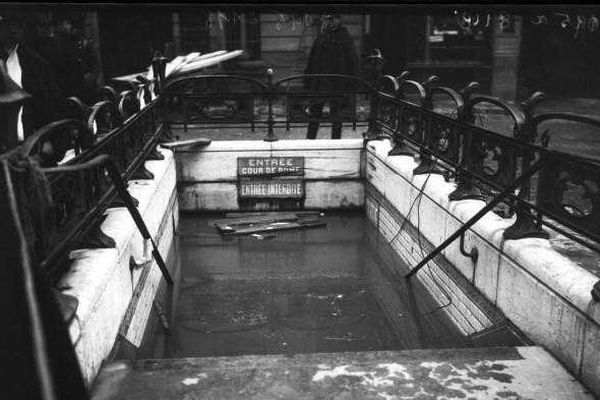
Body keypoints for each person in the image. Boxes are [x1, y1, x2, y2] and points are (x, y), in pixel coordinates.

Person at [0, 10, 62, 147]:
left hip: (30, 147)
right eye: (6, 23)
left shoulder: (37, 64)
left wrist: (49, 141)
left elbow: (51, 105)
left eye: (18, 24)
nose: (13, 29)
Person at [304, 14, 359, 139]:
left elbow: (352, 62)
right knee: (314, 113)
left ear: (338, 20)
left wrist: (352, 84)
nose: (329, 22)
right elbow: (312, 60)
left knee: (337, 115)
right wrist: (308, 81)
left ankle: (336, 142)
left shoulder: (344, 38)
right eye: (327, 19)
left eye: (332, 19)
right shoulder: (321, 37)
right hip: (320, 83)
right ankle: (309, 142)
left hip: (337, 83)